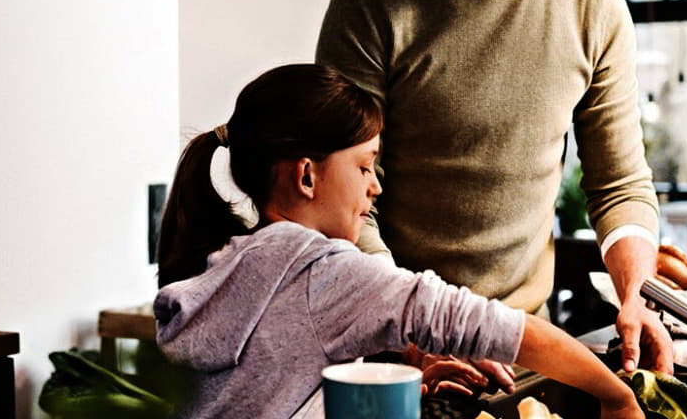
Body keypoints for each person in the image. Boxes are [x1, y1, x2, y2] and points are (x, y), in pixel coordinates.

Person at [314, 0, 670, 382]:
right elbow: (339, 203)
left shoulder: (592, 6)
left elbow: (618, 184)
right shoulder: (370, 5)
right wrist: (417, 326)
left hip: (527, 341)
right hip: (388, 347)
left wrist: (637, 292)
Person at [154, 64, 643, 419]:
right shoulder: (321, 269)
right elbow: (498, 328)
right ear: (306, 176)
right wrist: (617, 397)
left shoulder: (231, 259)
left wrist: (391, 392)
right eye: (364, 165)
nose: (375, 185)